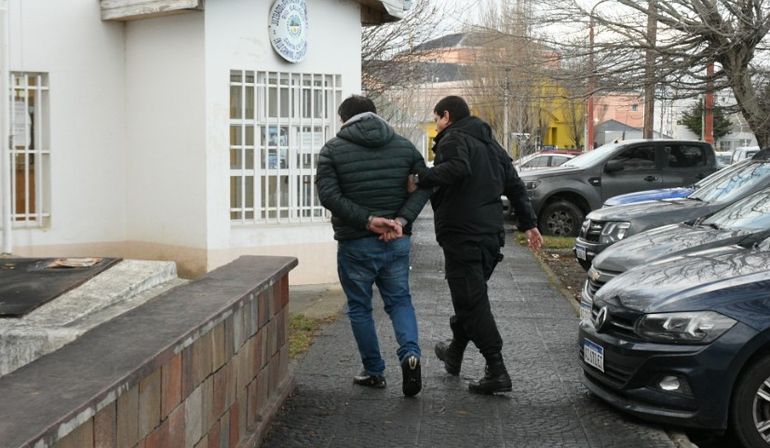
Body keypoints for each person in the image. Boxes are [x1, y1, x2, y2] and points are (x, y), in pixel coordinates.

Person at [408, 95, 543, 395]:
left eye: (437, 118)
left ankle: (497, 370)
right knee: (472, 299)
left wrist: (423, 177)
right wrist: (530, 224)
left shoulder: (453, 139)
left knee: (472, 303)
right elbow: (516, 186)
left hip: (463, 235)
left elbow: (458, 168)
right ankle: (454, 352)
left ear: (447, 115)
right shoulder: (491, 145)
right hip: (490, 238)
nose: (436, 125)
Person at [316, 95, 431, 397]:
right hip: (396, 240)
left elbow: (328, 196)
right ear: (375, 115)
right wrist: (401, 222)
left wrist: (367, 221)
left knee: (359, 307)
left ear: (344, 119)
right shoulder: (404, 146)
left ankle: (374, 370)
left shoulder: (332, 150)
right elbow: (427, 185)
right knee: (400, 302)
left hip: (356, 243)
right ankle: (410, 354)